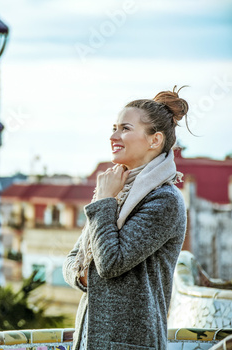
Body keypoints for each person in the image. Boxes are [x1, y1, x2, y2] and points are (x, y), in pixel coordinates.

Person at [63, 86, 189, 350]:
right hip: (88, 338)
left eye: (125, 128)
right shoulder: (114, 191)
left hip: (131, 342)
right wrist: (83, 276)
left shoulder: (164, 200)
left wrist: (105, 201)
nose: (113, 136)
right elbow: (72, 260)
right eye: (114, 127)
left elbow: (110, 262)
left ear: (155, 140)